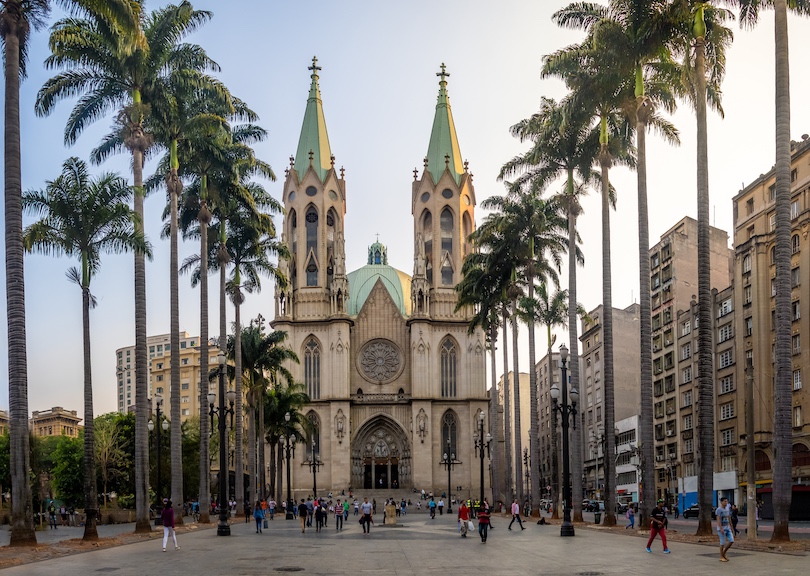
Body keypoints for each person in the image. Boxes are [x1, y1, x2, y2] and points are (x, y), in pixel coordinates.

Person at [716, 497, 734, 562]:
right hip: (721, 528)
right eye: (724, 501)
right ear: (721, 502)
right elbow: (718, 519)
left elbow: (729, 518)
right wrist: (721, 528)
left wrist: (731, 527)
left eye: (727, 501)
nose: (726, 503)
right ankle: (721, 556)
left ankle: (724, 553)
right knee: (722, 542)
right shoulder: (719, 510)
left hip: (727, 527)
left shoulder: (727, 509)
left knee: (731, 540)